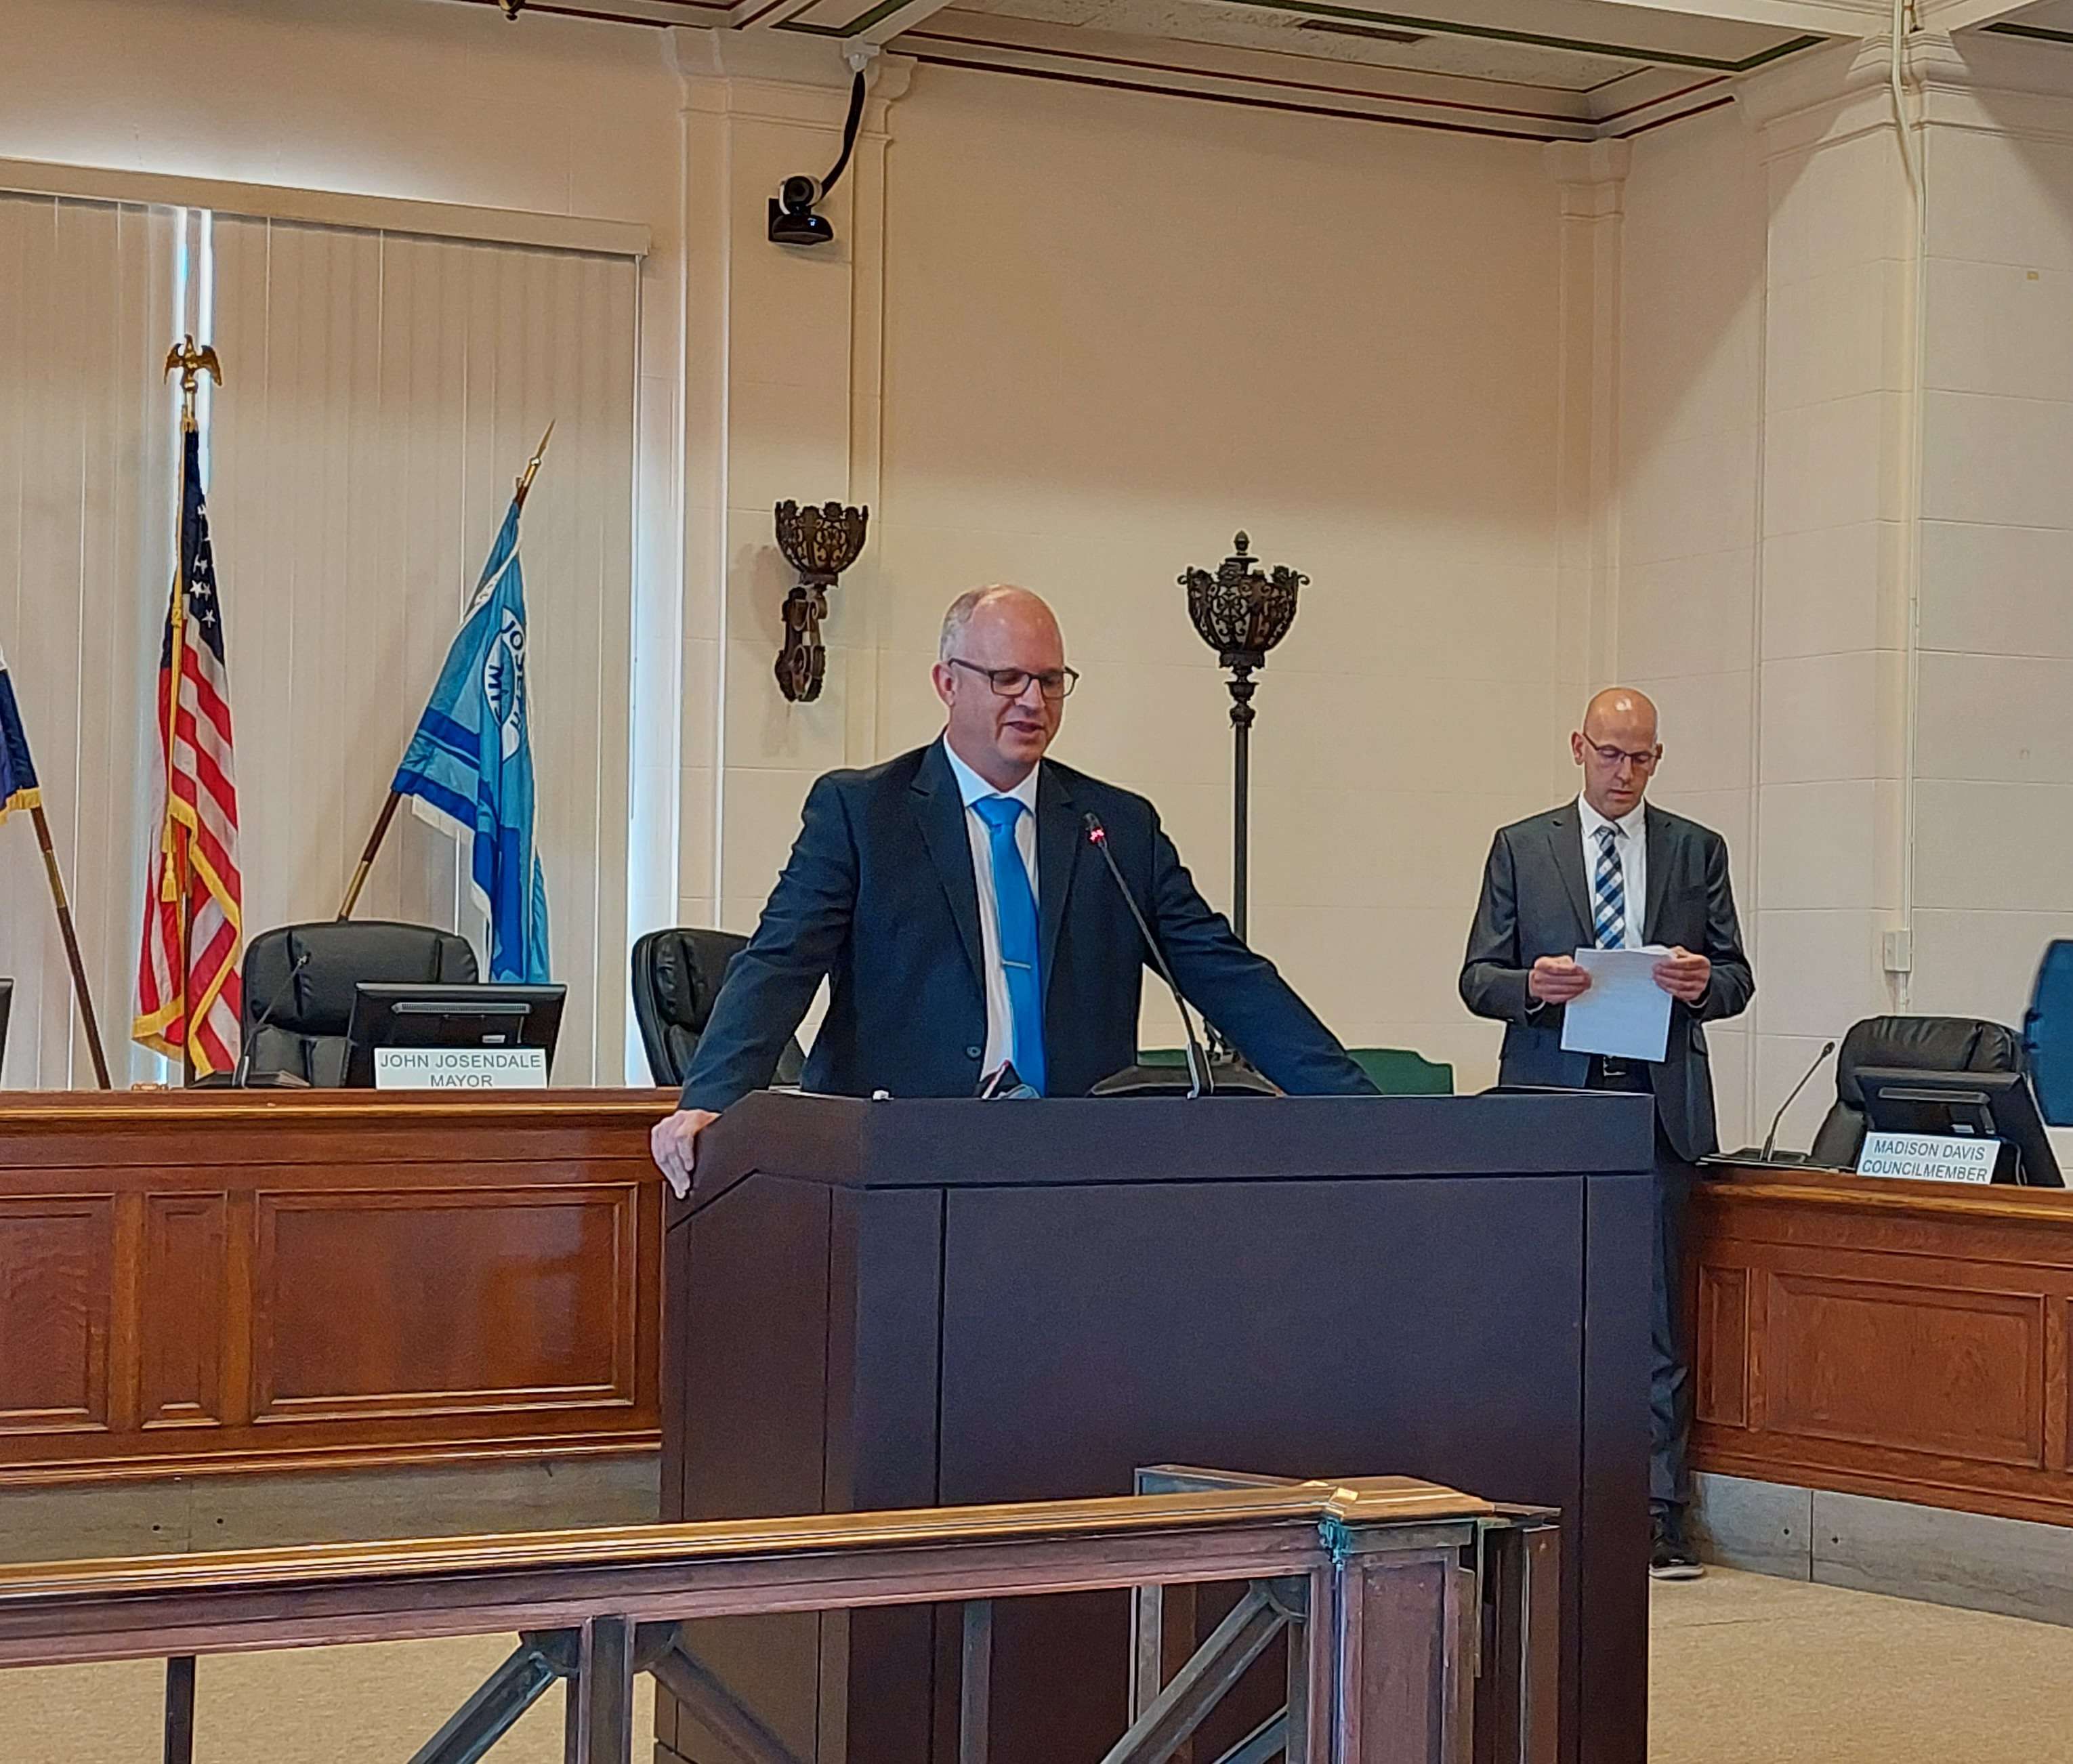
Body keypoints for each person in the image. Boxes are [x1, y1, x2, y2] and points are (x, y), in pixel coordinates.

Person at [652, 585, 1375, 1194]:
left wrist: (1366, 1111)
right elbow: (778, 965)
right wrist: (711, 1102)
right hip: (899, 1161)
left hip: (1072, 1169)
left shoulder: (1113, 826)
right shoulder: (863, 813)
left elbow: (1227, 975)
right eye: (1008, 680)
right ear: (948, 683)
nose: (1033, 701)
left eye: (1050, 681)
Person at [1459, 687, 1753, 1582]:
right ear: (1579, 748)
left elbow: (1738, 979)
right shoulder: (1523, 846)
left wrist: (1706, 982)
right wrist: (1529, 989)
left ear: (1658, 759)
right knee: (1542, 1309)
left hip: (1655, 1108)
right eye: (1611, 754)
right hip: (1553, 1103)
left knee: (1658, 1319)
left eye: (1642, 758)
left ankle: (1659, 1511)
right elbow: (1477, 977)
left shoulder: (1696, 850)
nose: (1625, 773)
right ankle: (1534, 1497)